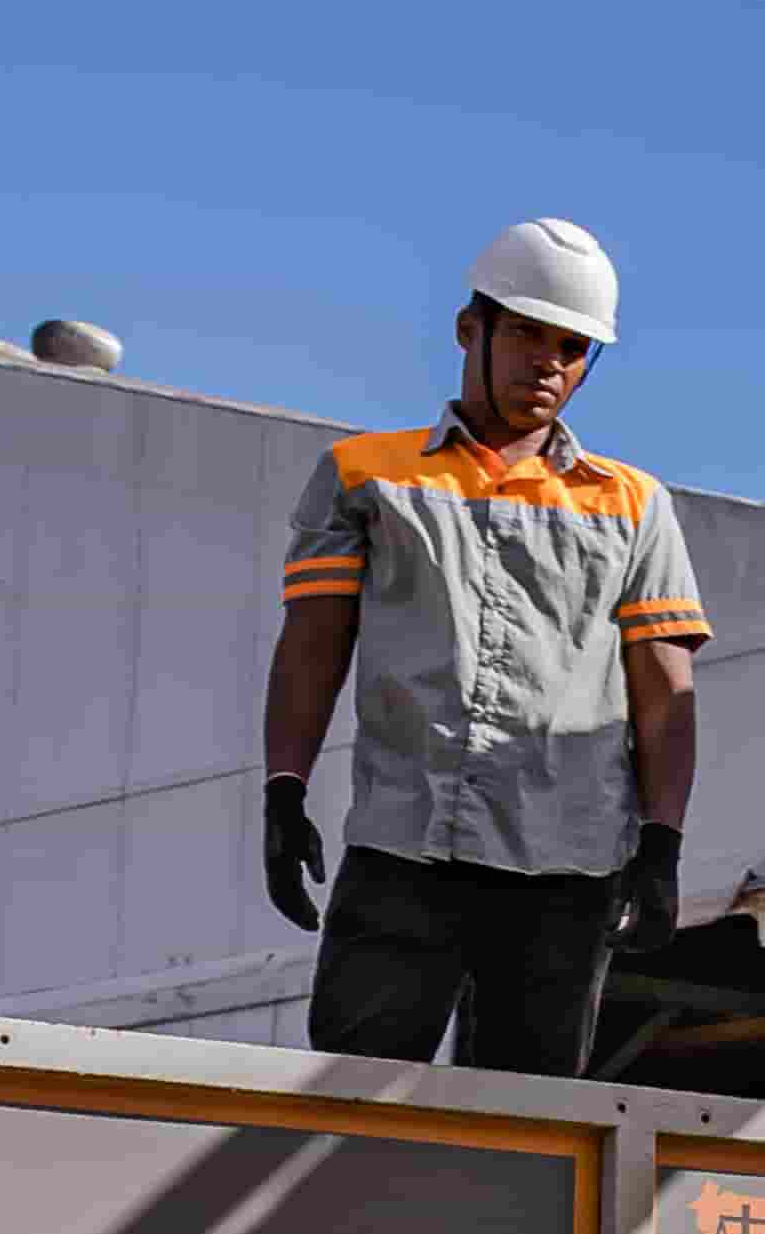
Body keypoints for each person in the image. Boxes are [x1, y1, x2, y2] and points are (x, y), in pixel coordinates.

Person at [257, 217, 702, 1073]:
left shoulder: (635, 506)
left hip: (569, 873)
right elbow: (314, 642)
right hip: (403, 854)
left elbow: (663, 686)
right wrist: (284, 793)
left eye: (572, 348)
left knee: (529, 1143)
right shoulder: (365, 476)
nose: (549, 364)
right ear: (472, 327)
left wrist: (662, 846)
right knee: (346, 1113)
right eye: (528, 334)